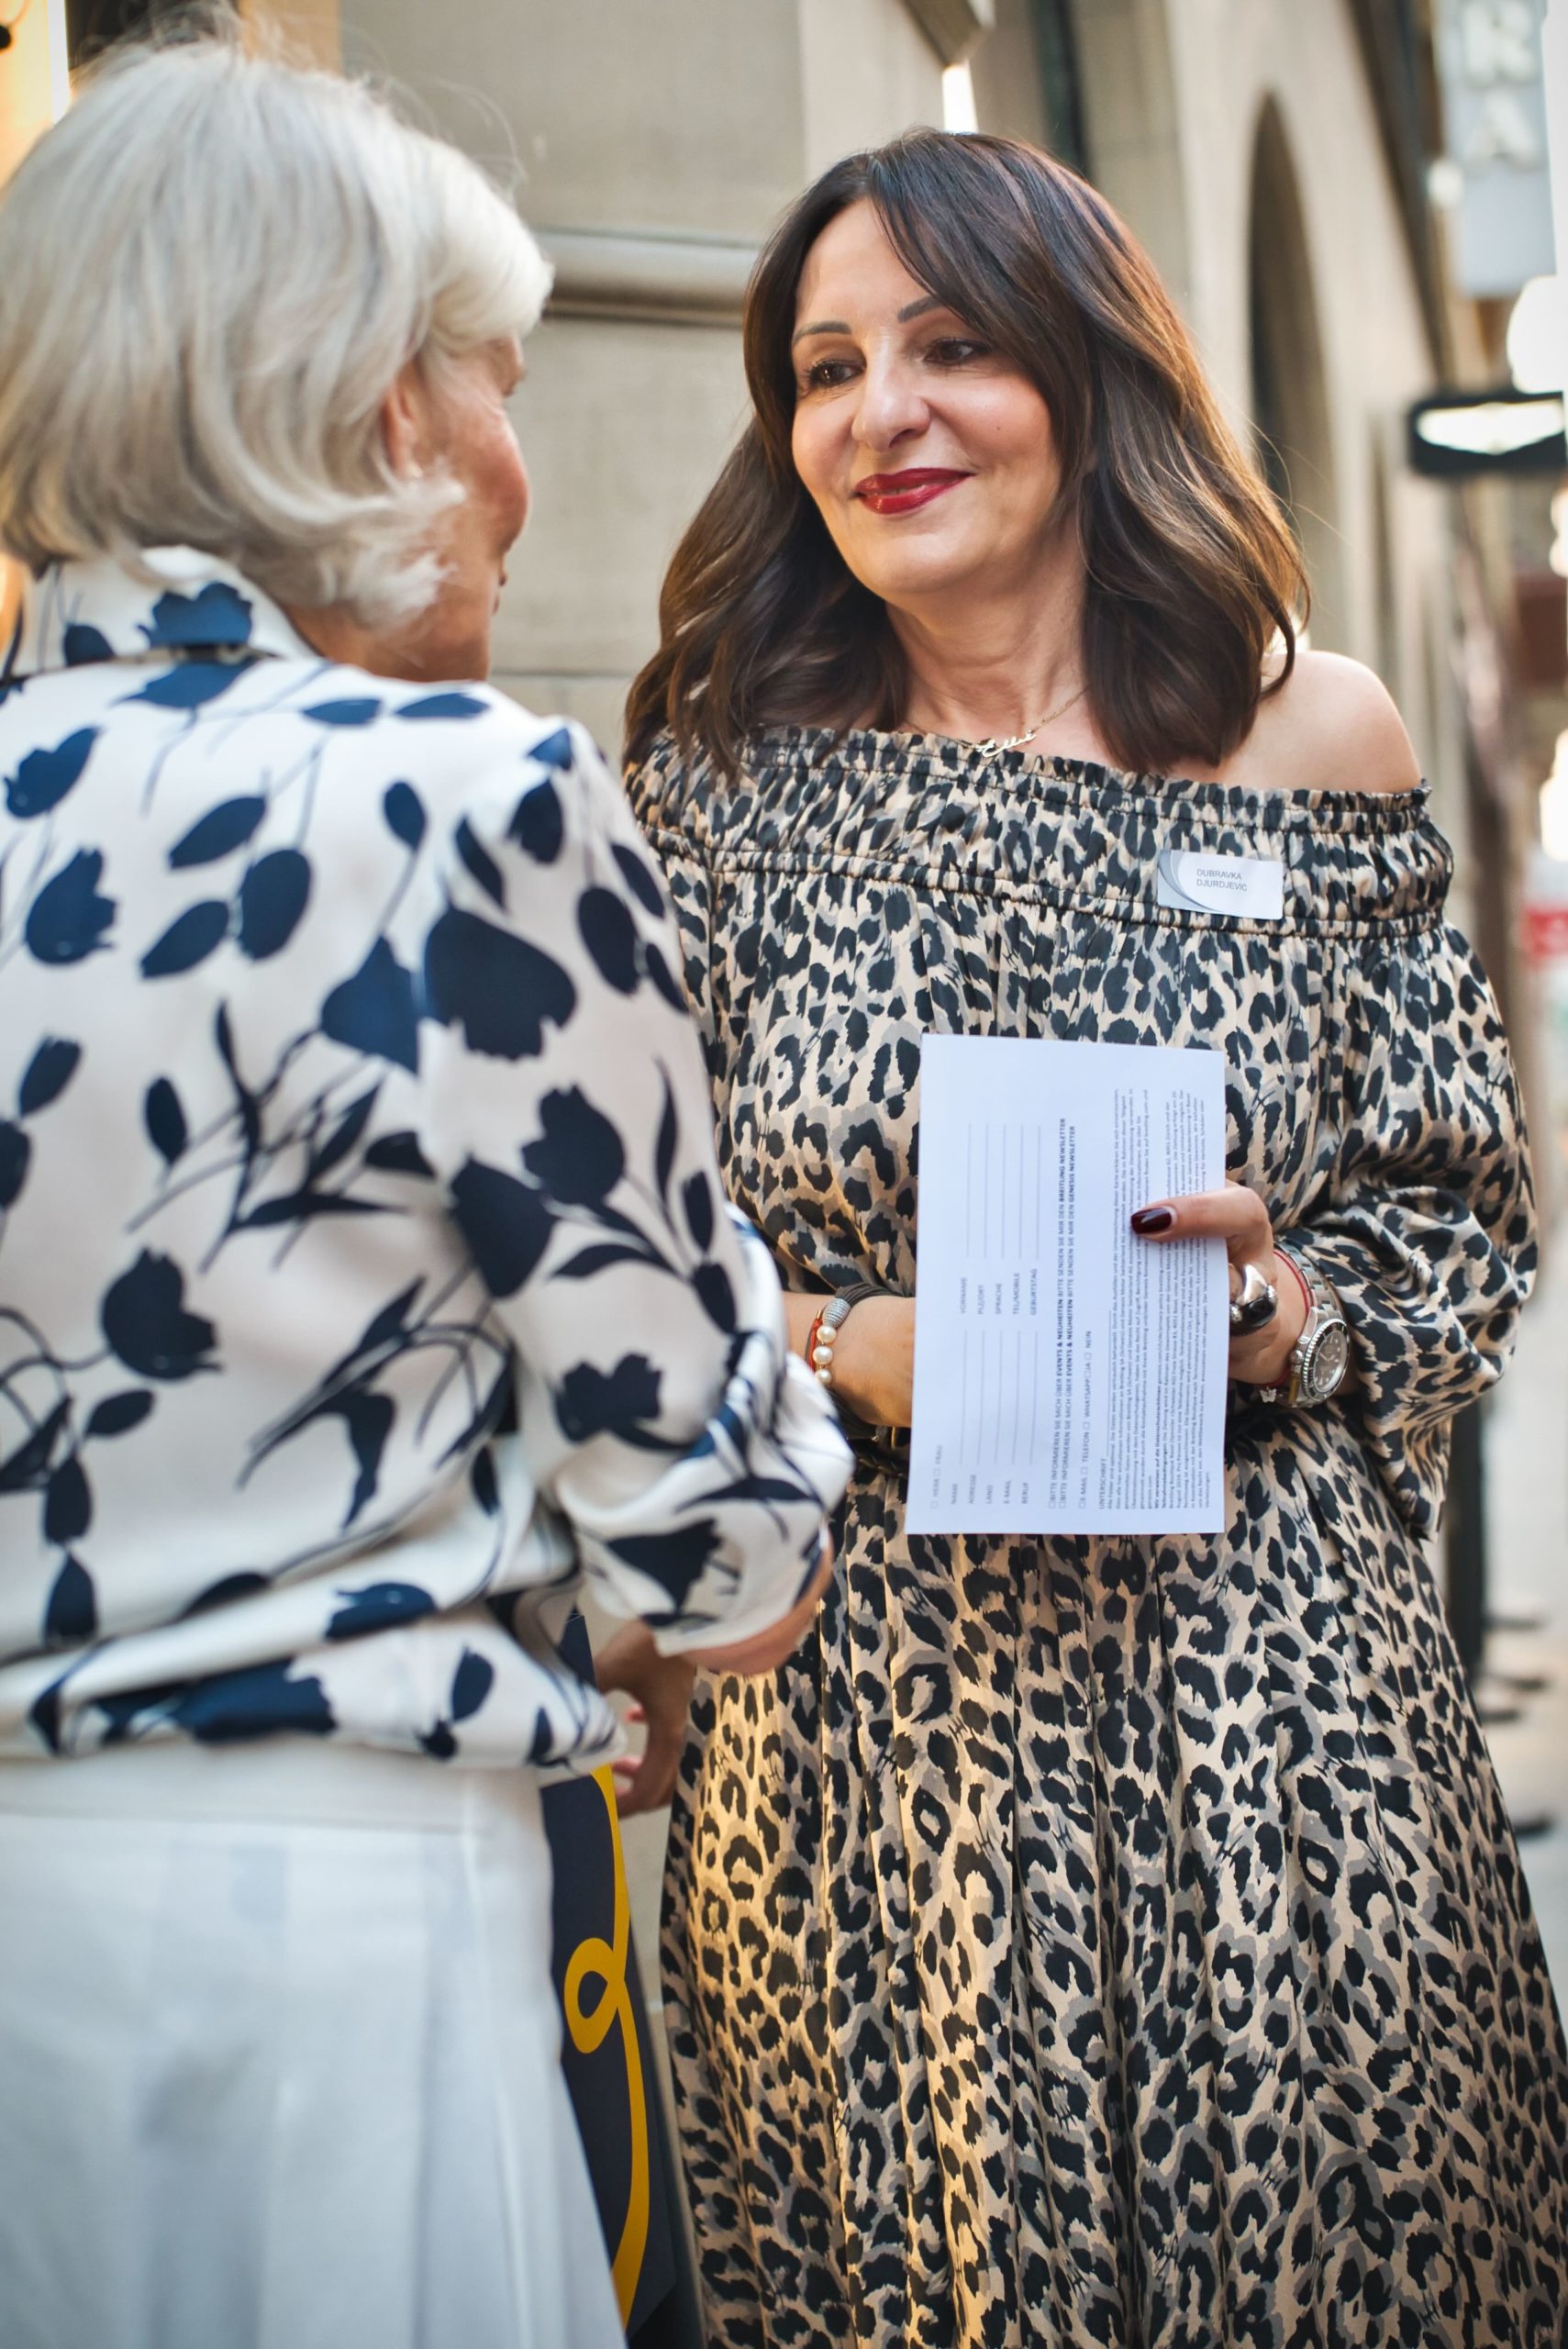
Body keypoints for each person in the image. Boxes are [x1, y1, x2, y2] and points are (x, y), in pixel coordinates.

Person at [625, 128, 1568, 2348]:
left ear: (1086, 371)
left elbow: (1461, 1214)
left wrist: (1282, 1303)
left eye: (950, 345)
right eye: (828, 366)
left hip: (1284, 1723)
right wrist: (843, 1340)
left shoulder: (1310, 735)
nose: (883, 412)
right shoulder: (711, 782)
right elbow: (603, 1270)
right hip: (865, 1752)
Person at [0, 33, 849, 2349]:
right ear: (381, 403)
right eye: (501, 383)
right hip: (338, 1963)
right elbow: (726, 1546)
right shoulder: (468, 805)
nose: (519, 473)